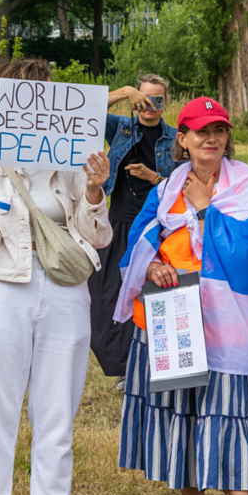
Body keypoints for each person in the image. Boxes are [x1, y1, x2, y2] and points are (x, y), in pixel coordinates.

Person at [0, 57, 112, 495]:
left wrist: (93, 193)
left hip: (65, 291)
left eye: (43, 95)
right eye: (25, 95)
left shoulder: (73, 166)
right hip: (2, 291)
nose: (35, 107)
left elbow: (97, 238)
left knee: (57, 411)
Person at [114, 97, 248, 495]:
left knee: (227, 415)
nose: (211, 138)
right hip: (171, 314)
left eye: (219, 130)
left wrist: (205, 213)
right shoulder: (167, 188)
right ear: (181, 138)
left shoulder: (245, 184)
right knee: (179, 413)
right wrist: (154, 265)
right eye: (201, 131)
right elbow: (140, 240)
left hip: (224, 322)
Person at [90, 75, 179, 384]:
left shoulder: (175, 138)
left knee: (150, 295)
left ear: (165, 103)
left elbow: (181, 186)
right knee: (107, 294)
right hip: (117, 222)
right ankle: (121, 365)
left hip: (154, 227)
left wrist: (152, 176)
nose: (149, 105)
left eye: (157, 99)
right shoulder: (121, 128)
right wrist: (124, 92)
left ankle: (147, 367)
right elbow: (88, 110)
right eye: (143, 98)